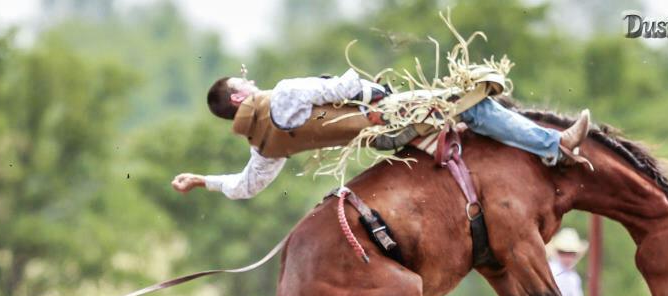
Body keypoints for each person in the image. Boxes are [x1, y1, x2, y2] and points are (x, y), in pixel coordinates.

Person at [171, 71, 591, 200]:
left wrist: (201, 179)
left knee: (464, 119)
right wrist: (379, 88)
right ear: (239, 94)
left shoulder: (262, 143)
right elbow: (343, 87)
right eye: (243, 80)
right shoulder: (283, 93)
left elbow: (247, 187)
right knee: (475, 103)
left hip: (378, 142)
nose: (250, 79)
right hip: (387, 116)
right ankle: (554, 146)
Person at [546, 228, 597, 296]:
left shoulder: (573, 277)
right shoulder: (551, 271)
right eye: (563, 253)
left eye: (571, 254)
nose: (568, 258)